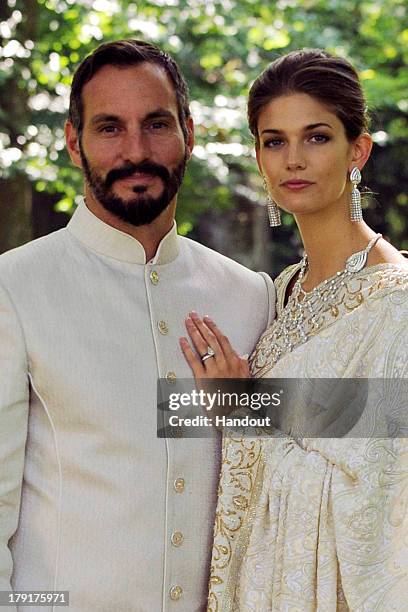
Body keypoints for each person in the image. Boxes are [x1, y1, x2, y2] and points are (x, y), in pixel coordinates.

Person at [0, 39, 276, 611]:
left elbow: (336, 441)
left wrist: (247, 405)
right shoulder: (15, 287)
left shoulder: (250, 294)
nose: (135, 151)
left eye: (156, 124)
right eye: (109, 128)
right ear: (75, 142)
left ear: (188, 134)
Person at [180, 49, 408, 610]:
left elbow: (381, 502)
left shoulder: (396, 304)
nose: (293, 160)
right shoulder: (280, 290)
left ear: (358, 150)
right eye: (273, 141)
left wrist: (244, 410)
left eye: (317, 137)